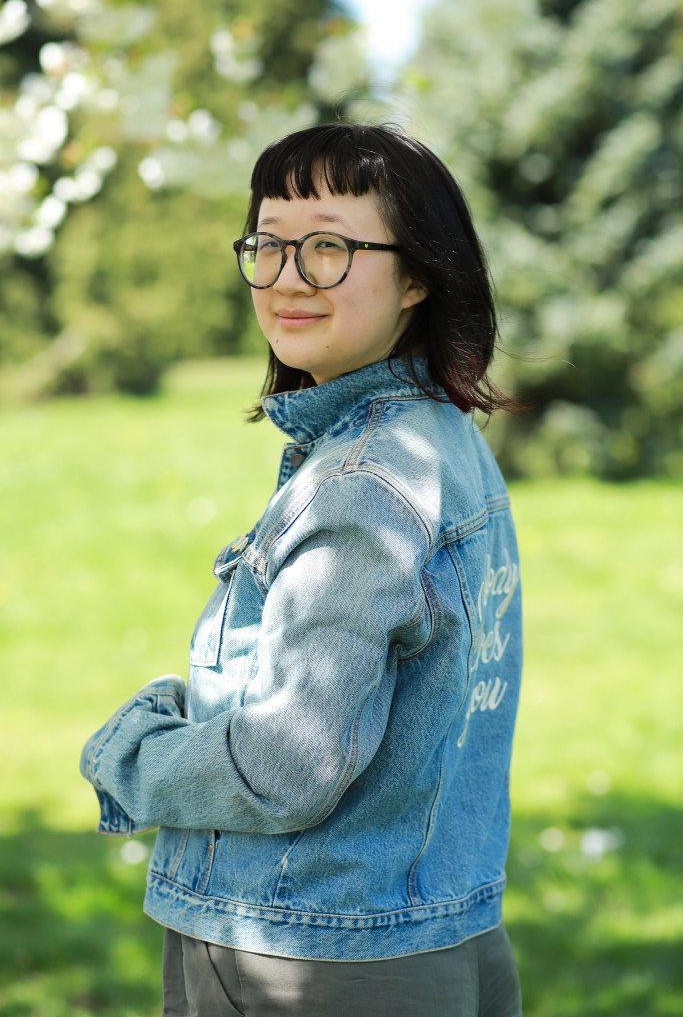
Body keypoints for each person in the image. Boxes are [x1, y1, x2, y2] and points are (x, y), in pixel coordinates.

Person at [81, 122, 524, 1016]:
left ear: (417, 275)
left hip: (310, 956)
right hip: (433, 930)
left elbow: (284, 765)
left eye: (328, 247)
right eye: (269, 244)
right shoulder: (440, 442)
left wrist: (128, 758)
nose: (287, 276)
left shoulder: (361, 484)